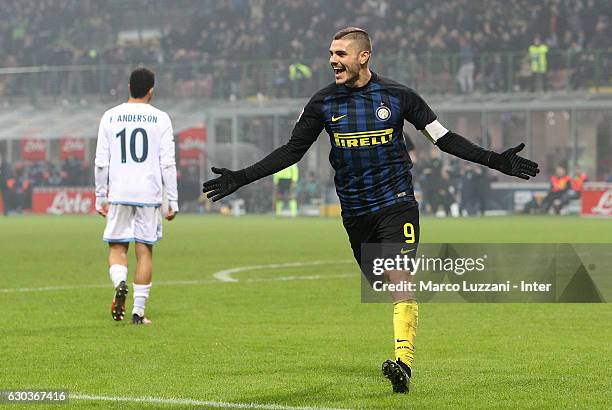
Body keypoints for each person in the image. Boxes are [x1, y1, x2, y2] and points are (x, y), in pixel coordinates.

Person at [202, 27, 539, 393]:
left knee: (398, 279)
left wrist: (495, 160)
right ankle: (401, 340)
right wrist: (241, 177)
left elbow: (444, 138)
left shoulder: (398, 96)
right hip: (355, 211)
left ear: (364, 56)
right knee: (380, 281)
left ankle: (403, 364)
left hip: (397, 204)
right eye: (331, 53)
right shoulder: (323, 103)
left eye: (341, 54)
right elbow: (292, 151)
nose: (333, 60)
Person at [94, 68, 179, 325]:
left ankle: (120, 282)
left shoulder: (110, 116)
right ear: (151, 90)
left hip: (119, 192)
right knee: (144, 252)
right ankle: (138, 313)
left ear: (129, 87)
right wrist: (172, 199)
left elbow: (100, 162)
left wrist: (100, 195)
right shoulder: (161, 119)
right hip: (148, 194)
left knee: (117, 247)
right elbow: (168, 163)